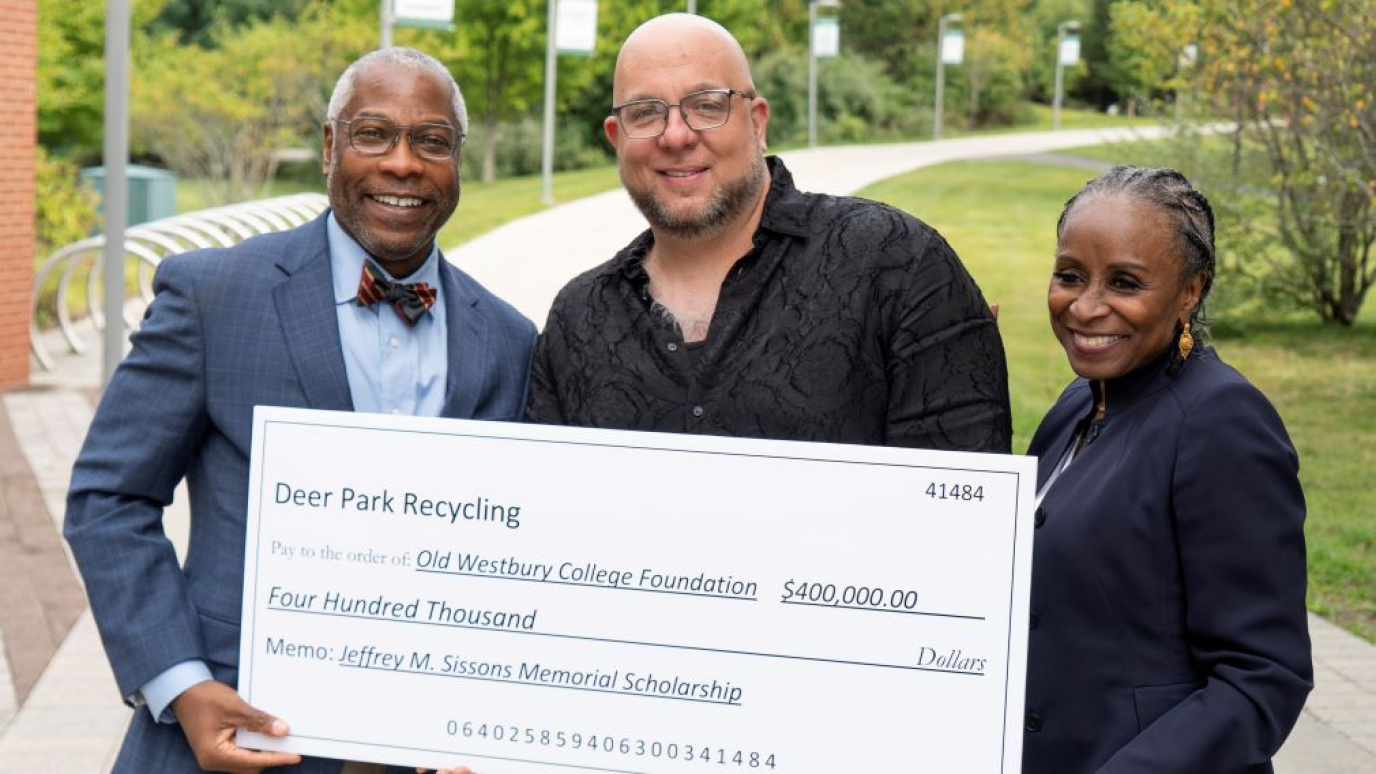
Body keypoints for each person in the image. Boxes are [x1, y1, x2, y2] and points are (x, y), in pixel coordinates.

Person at [64, 48, 534, 773]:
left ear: (457, 161)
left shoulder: (508, 339)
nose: (403, 163)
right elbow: (108, 498)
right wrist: (183, 685)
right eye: (373, 134)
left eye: (431, 141)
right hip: (227, 738)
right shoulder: (214, 296)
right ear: (329, 147)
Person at [526, 13, 1011, 453]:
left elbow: (963, 523)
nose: (676, 135)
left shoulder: (897, 266)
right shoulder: (578, 319)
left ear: (757, 123)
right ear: (617, 138)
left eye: (707, 105)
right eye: (645, 113)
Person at [1023, 166, 1312, 772]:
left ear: (1190, 291)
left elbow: (1262, 677)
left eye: (1125, 282)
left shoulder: (1222, 421)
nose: (1085, 305)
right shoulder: (1078, 404)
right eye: (1069, 275)